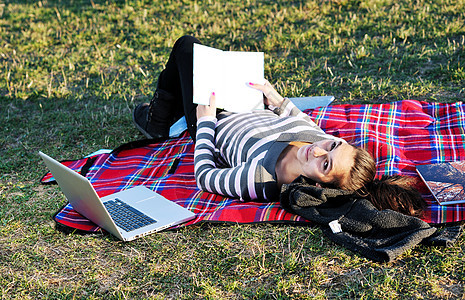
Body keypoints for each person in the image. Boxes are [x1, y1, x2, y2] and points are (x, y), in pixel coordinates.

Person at [133, 36, 426, 217]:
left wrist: (205, 121)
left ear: (318, 185)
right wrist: (275, 98)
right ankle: (160, 115)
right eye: (332, 145)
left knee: (187, 47)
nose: (318, 151)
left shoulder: (261, 178)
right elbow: (302, 119)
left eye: (325, 165)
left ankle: (158, 120)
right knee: (211, 58)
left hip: (216, 119)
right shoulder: (319, 140)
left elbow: (205, 176)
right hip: (249, 105)